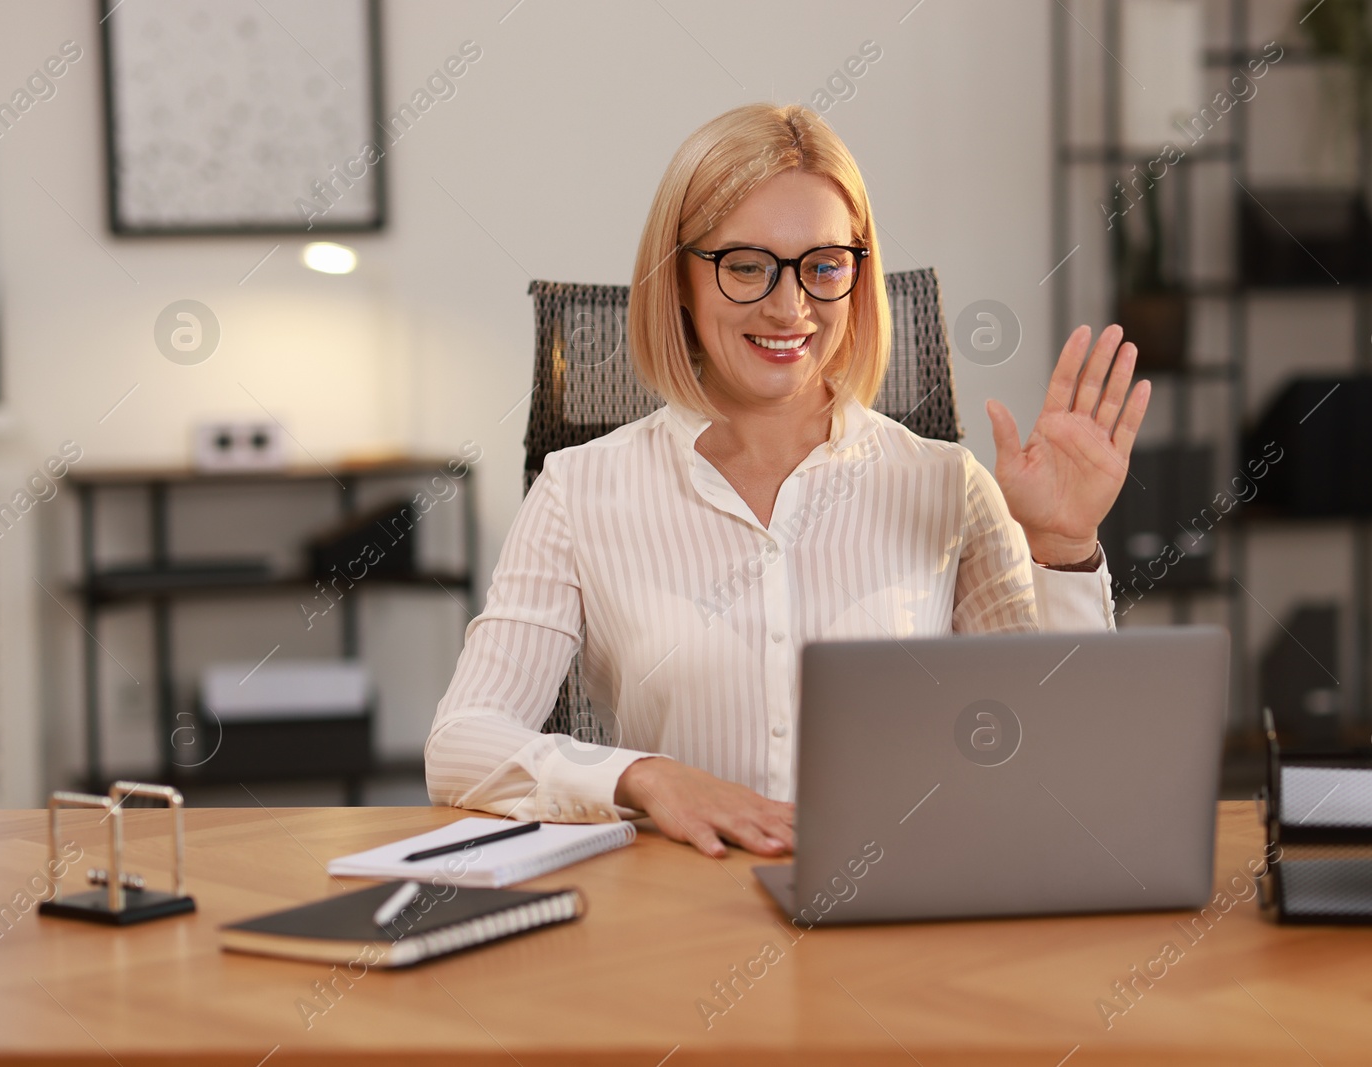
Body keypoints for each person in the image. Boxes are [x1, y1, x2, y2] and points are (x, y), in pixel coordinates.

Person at [425, 102, 1151, 859]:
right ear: (679, 277)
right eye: (745, 265)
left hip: (897, 905)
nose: (789, 305)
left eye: (824, 266)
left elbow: (1060, 764)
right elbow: (461, 743)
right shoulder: (579, 491)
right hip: (677, 919)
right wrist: (645, 776)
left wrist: (1063, 545)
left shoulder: (949, 484)